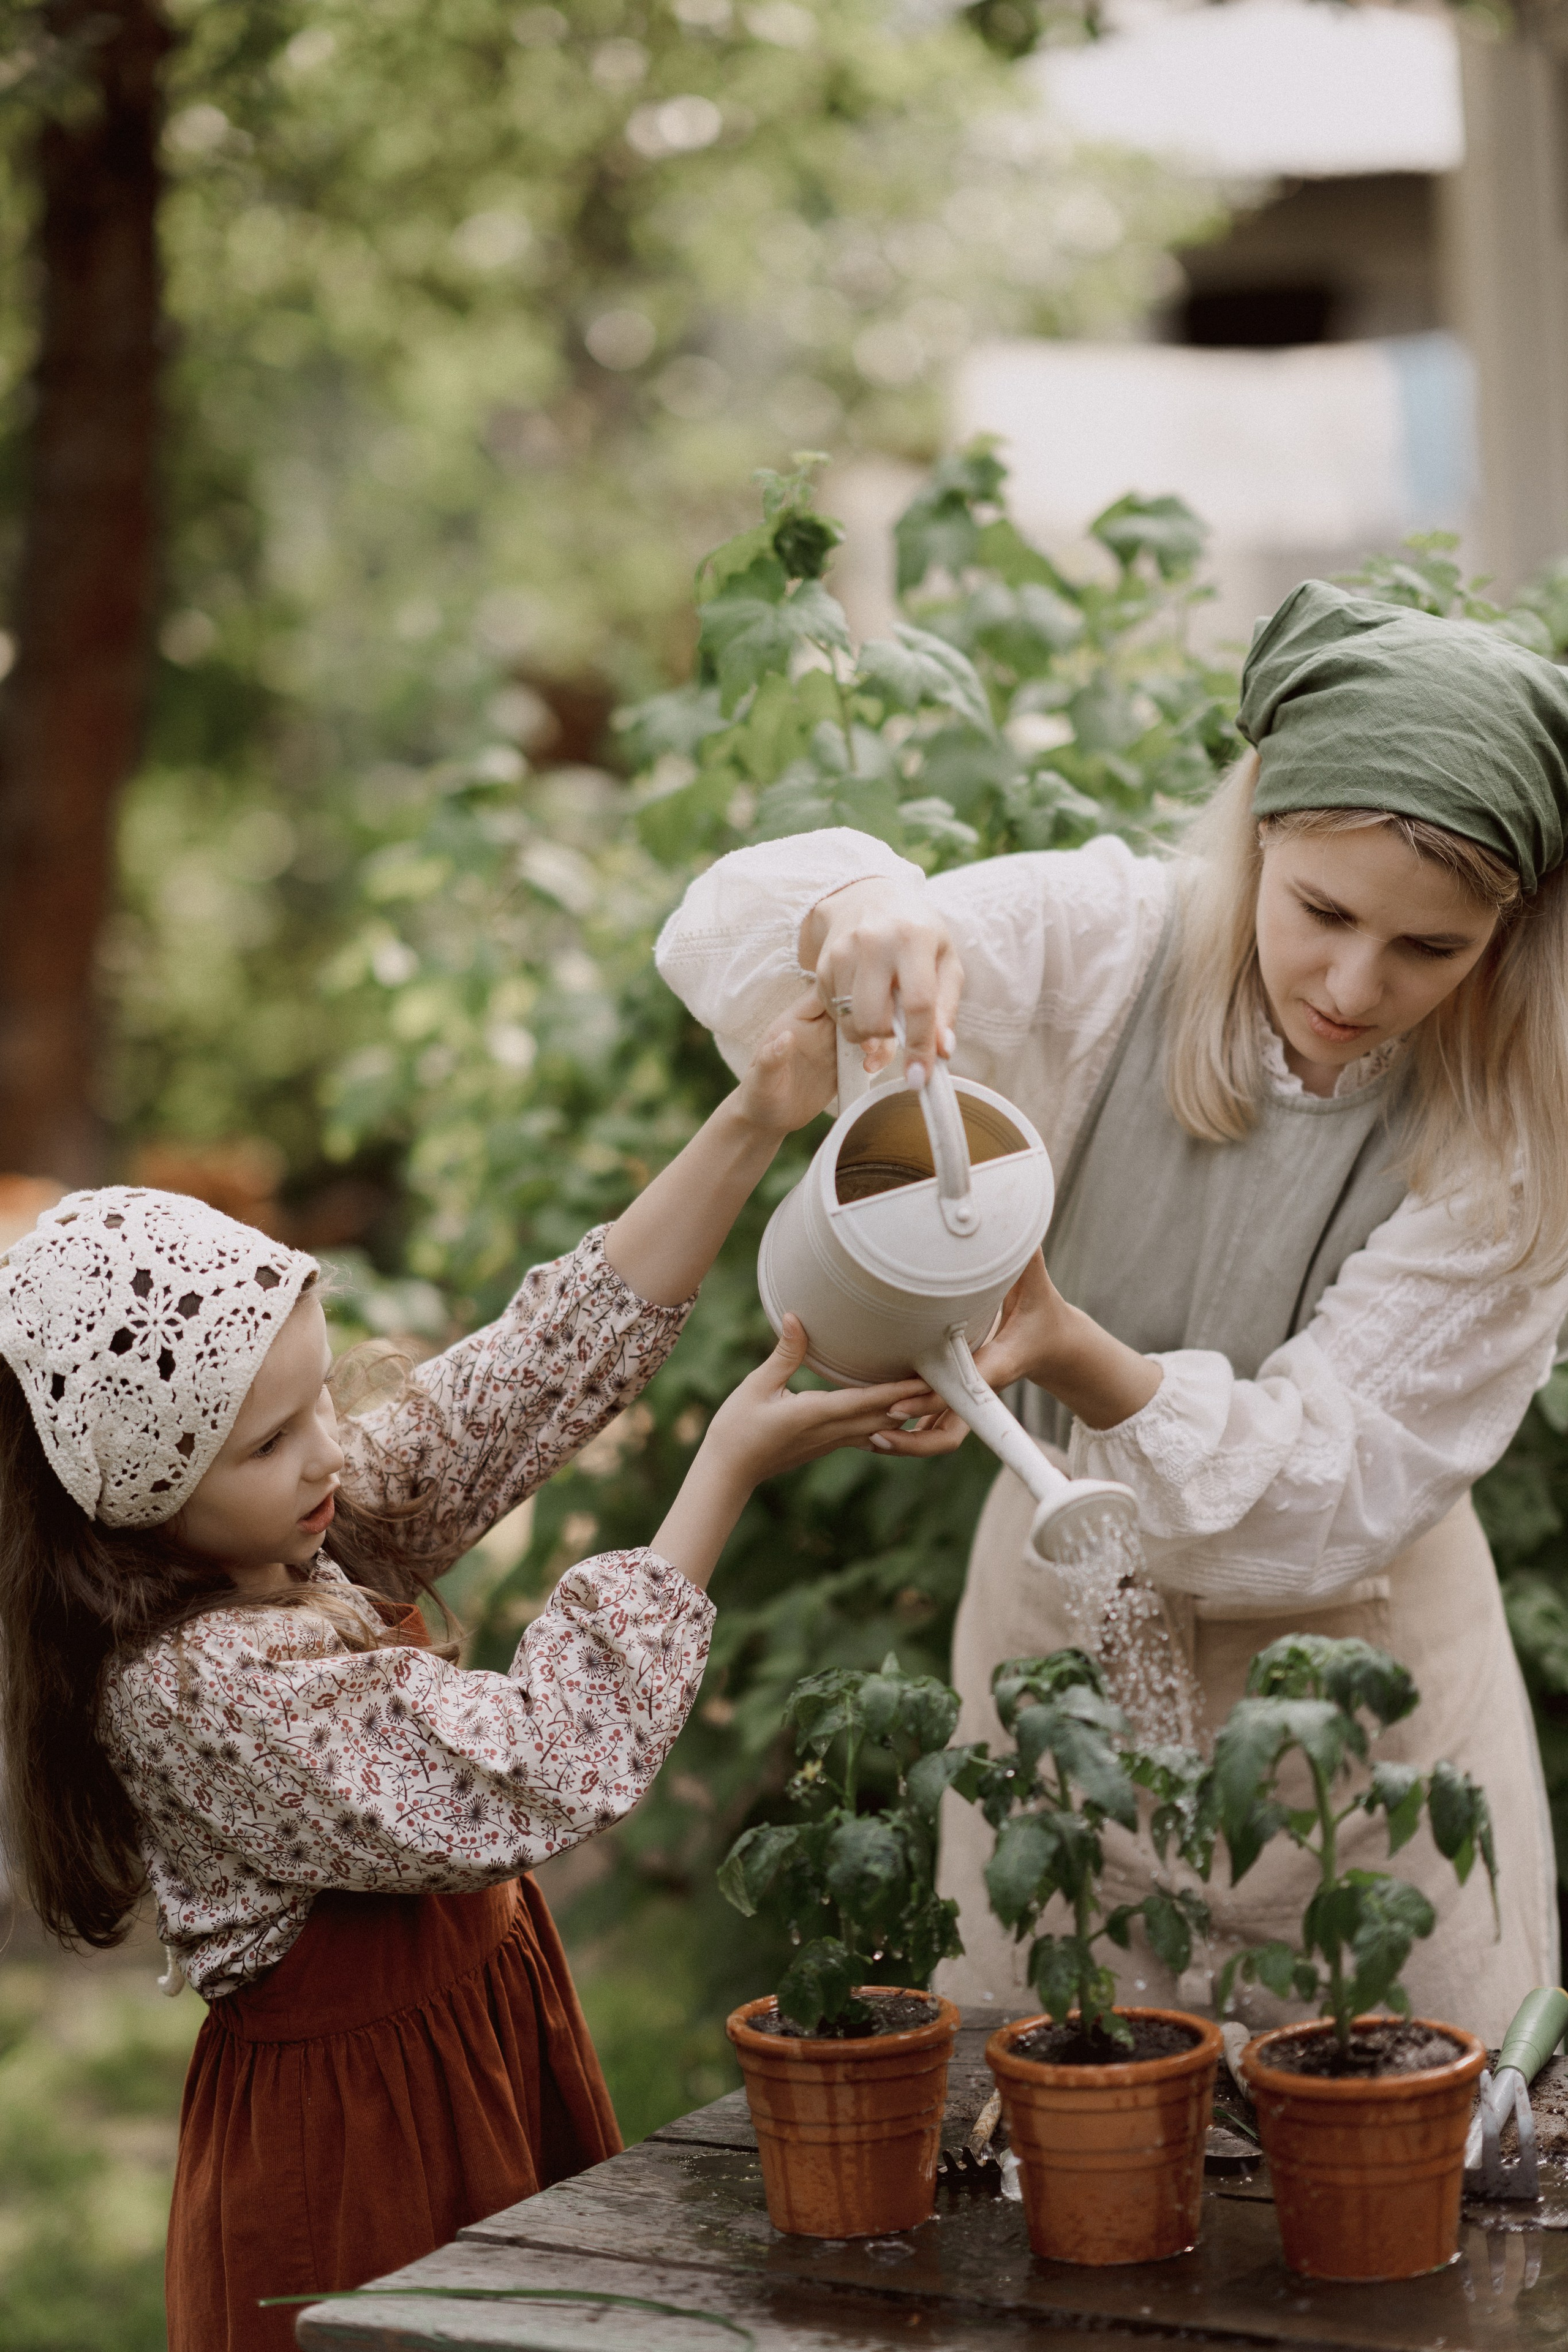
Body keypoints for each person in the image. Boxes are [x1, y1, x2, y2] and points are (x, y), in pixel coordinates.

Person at [656, 581, 1568, 2045]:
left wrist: (1072, 1355)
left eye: (1429, 949)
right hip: (1059, 1634)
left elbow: (1329, 1486)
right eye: (1321, 912)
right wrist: (861, 912)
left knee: (1402, 2119)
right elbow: (738, 930)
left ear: (1504, 934)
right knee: (1053, 2101)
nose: (1352, 984)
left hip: (1367, 1687)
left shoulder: (1517, 1124)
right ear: (1256, 826)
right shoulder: (1107, 944)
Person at [0, 993, 924, 2352]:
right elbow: (541, 1758)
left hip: (468, 2064)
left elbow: (534, 1371)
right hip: (355, 2160)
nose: (328, 1451)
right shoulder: (195, 1687)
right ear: (137, 1497)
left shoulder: (268, 1533)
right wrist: (724, 1467)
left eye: (320, 1397)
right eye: (268, 1442)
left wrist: (754, 1116)